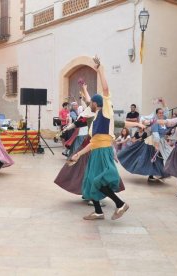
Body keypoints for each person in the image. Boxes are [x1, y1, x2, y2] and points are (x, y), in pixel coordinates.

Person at [71, 61, 129, 221]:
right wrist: (78, 154)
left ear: (97, 104)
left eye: (93, 103)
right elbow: (93, 142)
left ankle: (120, 203)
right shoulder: (96, 116)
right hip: (96, 151)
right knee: (90, 180)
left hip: (103, 151)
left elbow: (105, 91)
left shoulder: (106, 110)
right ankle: (98, 212)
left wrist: (101, 70)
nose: (90, 104)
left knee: (99, 180)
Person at [118, 105, 172, 182]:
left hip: (161, 141)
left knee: (161, 158)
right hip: (153, 142)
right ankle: (152, 174)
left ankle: (160, 173)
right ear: (156, 114)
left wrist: (164, 103)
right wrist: (156, 145)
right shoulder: (155, 122)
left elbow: (167, 113)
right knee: (152, 158)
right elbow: (155, 134)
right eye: (159, 113)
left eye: (162, 113)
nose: (161, 114)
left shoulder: (164, 120)